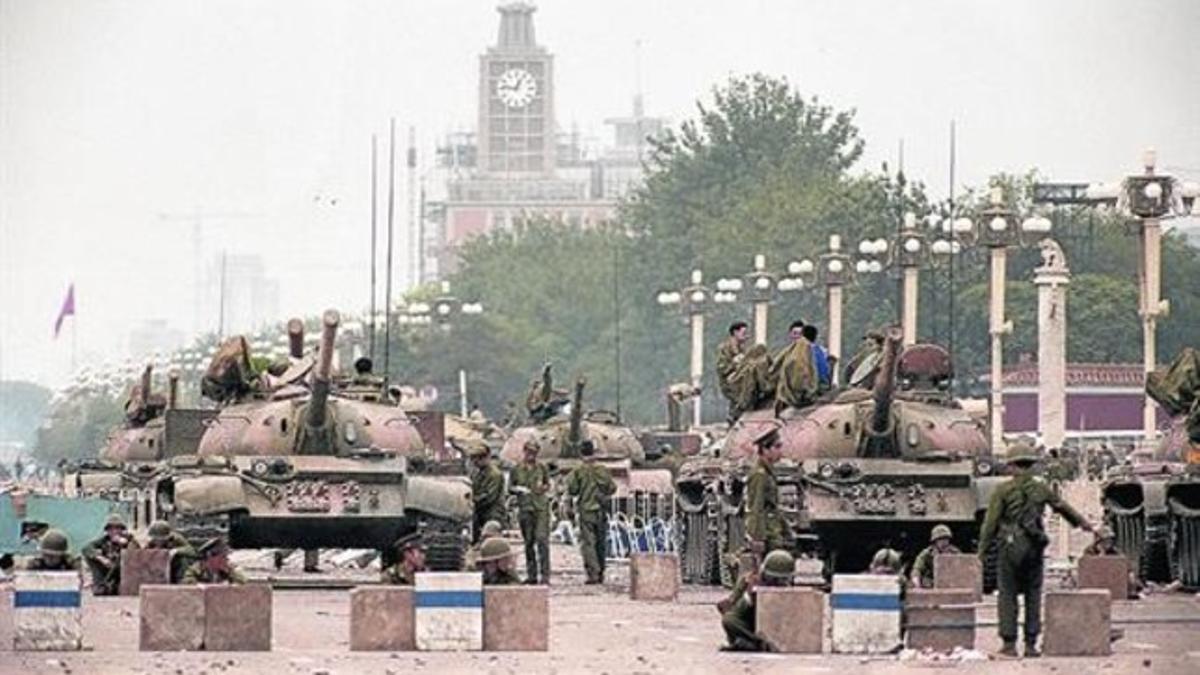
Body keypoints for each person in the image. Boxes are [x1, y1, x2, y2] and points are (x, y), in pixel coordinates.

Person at [978, 442, 1094, 658]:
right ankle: (1031, 644)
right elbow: (1062, 507)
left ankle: (1009, 644)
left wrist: (981, 553)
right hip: (1034, 546)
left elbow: (990, 523)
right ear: (1031, 465)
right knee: (1033, 594)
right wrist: (1083, 523)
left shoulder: (1002, 490)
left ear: (1011, 465)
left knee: (1008, 595)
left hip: (1010, 546)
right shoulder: (1041, 488)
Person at [719, 549, 795, 652]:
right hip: (750, 622)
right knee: (729, 620)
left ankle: (750, 644)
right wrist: (749, 596)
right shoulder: (750, 581)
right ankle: (758, 643)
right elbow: (732, 608)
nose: (777, 583)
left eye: (781, 580)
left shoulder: (790, 589)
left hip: (776, 623)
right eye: (773, 579)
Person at [566, 440, 616, 584]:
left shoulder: (578, 471)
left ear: (581, 453)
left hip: (586, 510)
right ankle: (601, 572)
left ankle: (592, 573)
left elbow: (573, 490)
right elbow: (612, 488)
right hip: (601, 510)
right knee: (601, 542)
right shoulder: (603, 470)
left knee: (588, 543)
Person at [745, 424, 790, 560]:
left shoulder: (768, 473)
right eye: (776, 447)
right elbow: (756, 507)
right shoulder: (760, 475)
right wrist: (757, 538)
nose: (780, 452)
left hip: (773, 530)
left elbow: (774, 506)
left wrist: (786, 529)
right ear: (765, 449)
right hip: (767, 533)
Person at [510, 440, 552, 584]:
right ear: (524, 451)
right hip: (525, 508)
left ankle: (545, 575)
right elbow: (510, 486)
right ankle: (532, 574)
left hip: (540, 507)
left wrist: (543, 488)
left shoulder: (542, 468)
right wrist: (518, 489)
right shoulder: (516, 469)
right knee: (528, 543)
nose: (531, 455)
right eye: (529, 452)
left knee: (542, 540)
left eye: (534, 453)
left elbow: (547, 484)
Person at [82, 514, 140, 595]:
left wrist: (125, 545)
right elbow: (86, 548)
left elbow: (137, 551)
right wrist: (101, 558)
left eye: (117, 528)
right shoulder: (104, 541)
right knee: (91, 558)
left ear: (122, 529)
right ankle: (101, 585)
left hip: (122, 573)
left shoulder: (129, 539)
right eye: (111, 529)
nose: (114, 531)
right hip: (107, 571)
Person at [468, 442, 506, 544]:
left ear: (484, 458)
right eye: (473, 459)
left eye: (477, 459)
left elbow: (489, 497)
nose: (474, 462)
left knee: (490, 542)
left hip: (492, 513)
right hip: (480, 512)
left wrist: (472, 501)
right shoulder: (477, 473)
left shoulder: (494, 474)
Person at [910, 524, 962, 589]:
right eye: (940, 539)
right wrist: (916, 582)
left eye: (946, 539)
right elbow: (917, 569)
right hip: (931, 583)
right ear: (935, 541)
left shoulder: (955, 553)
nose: (944, 542)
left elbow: (962, 570)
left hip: (950, 583)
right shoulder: (927, 554)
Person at [144, 519, 196, 584]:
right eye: (156, 539)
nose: (158, 542)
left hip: (174, 566)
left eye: (160, 539)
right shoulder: (151, 543)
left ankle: (181, 582)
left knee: (183, 560)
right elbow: (144, 555)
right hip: (159, 570)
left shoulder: (176, 538)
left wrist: (176, 551)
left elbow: (191, 551)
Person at [182, 537, 246, 584]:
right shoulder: (196, 570)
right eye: (223, 556)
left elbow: (242, 581)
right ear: (210, 557)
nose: (227, 559)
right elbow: (187, 584)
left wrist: (230, 573)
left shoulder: (227, 568)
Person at [716, 321, 751, 405]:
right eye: (743, 333)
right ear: (735, 332)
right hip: (730, 384)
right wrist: (734, 362)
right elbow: (721, 369)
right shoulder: (724, 348)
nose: (745, 335)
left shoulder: (742, 348)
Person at [801, 324, 831, 391]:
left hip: (813, 388)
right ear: (815, 337)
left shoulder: (803, 351)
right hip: (824, 386)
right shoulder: (820, 351)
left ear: (802, 336)